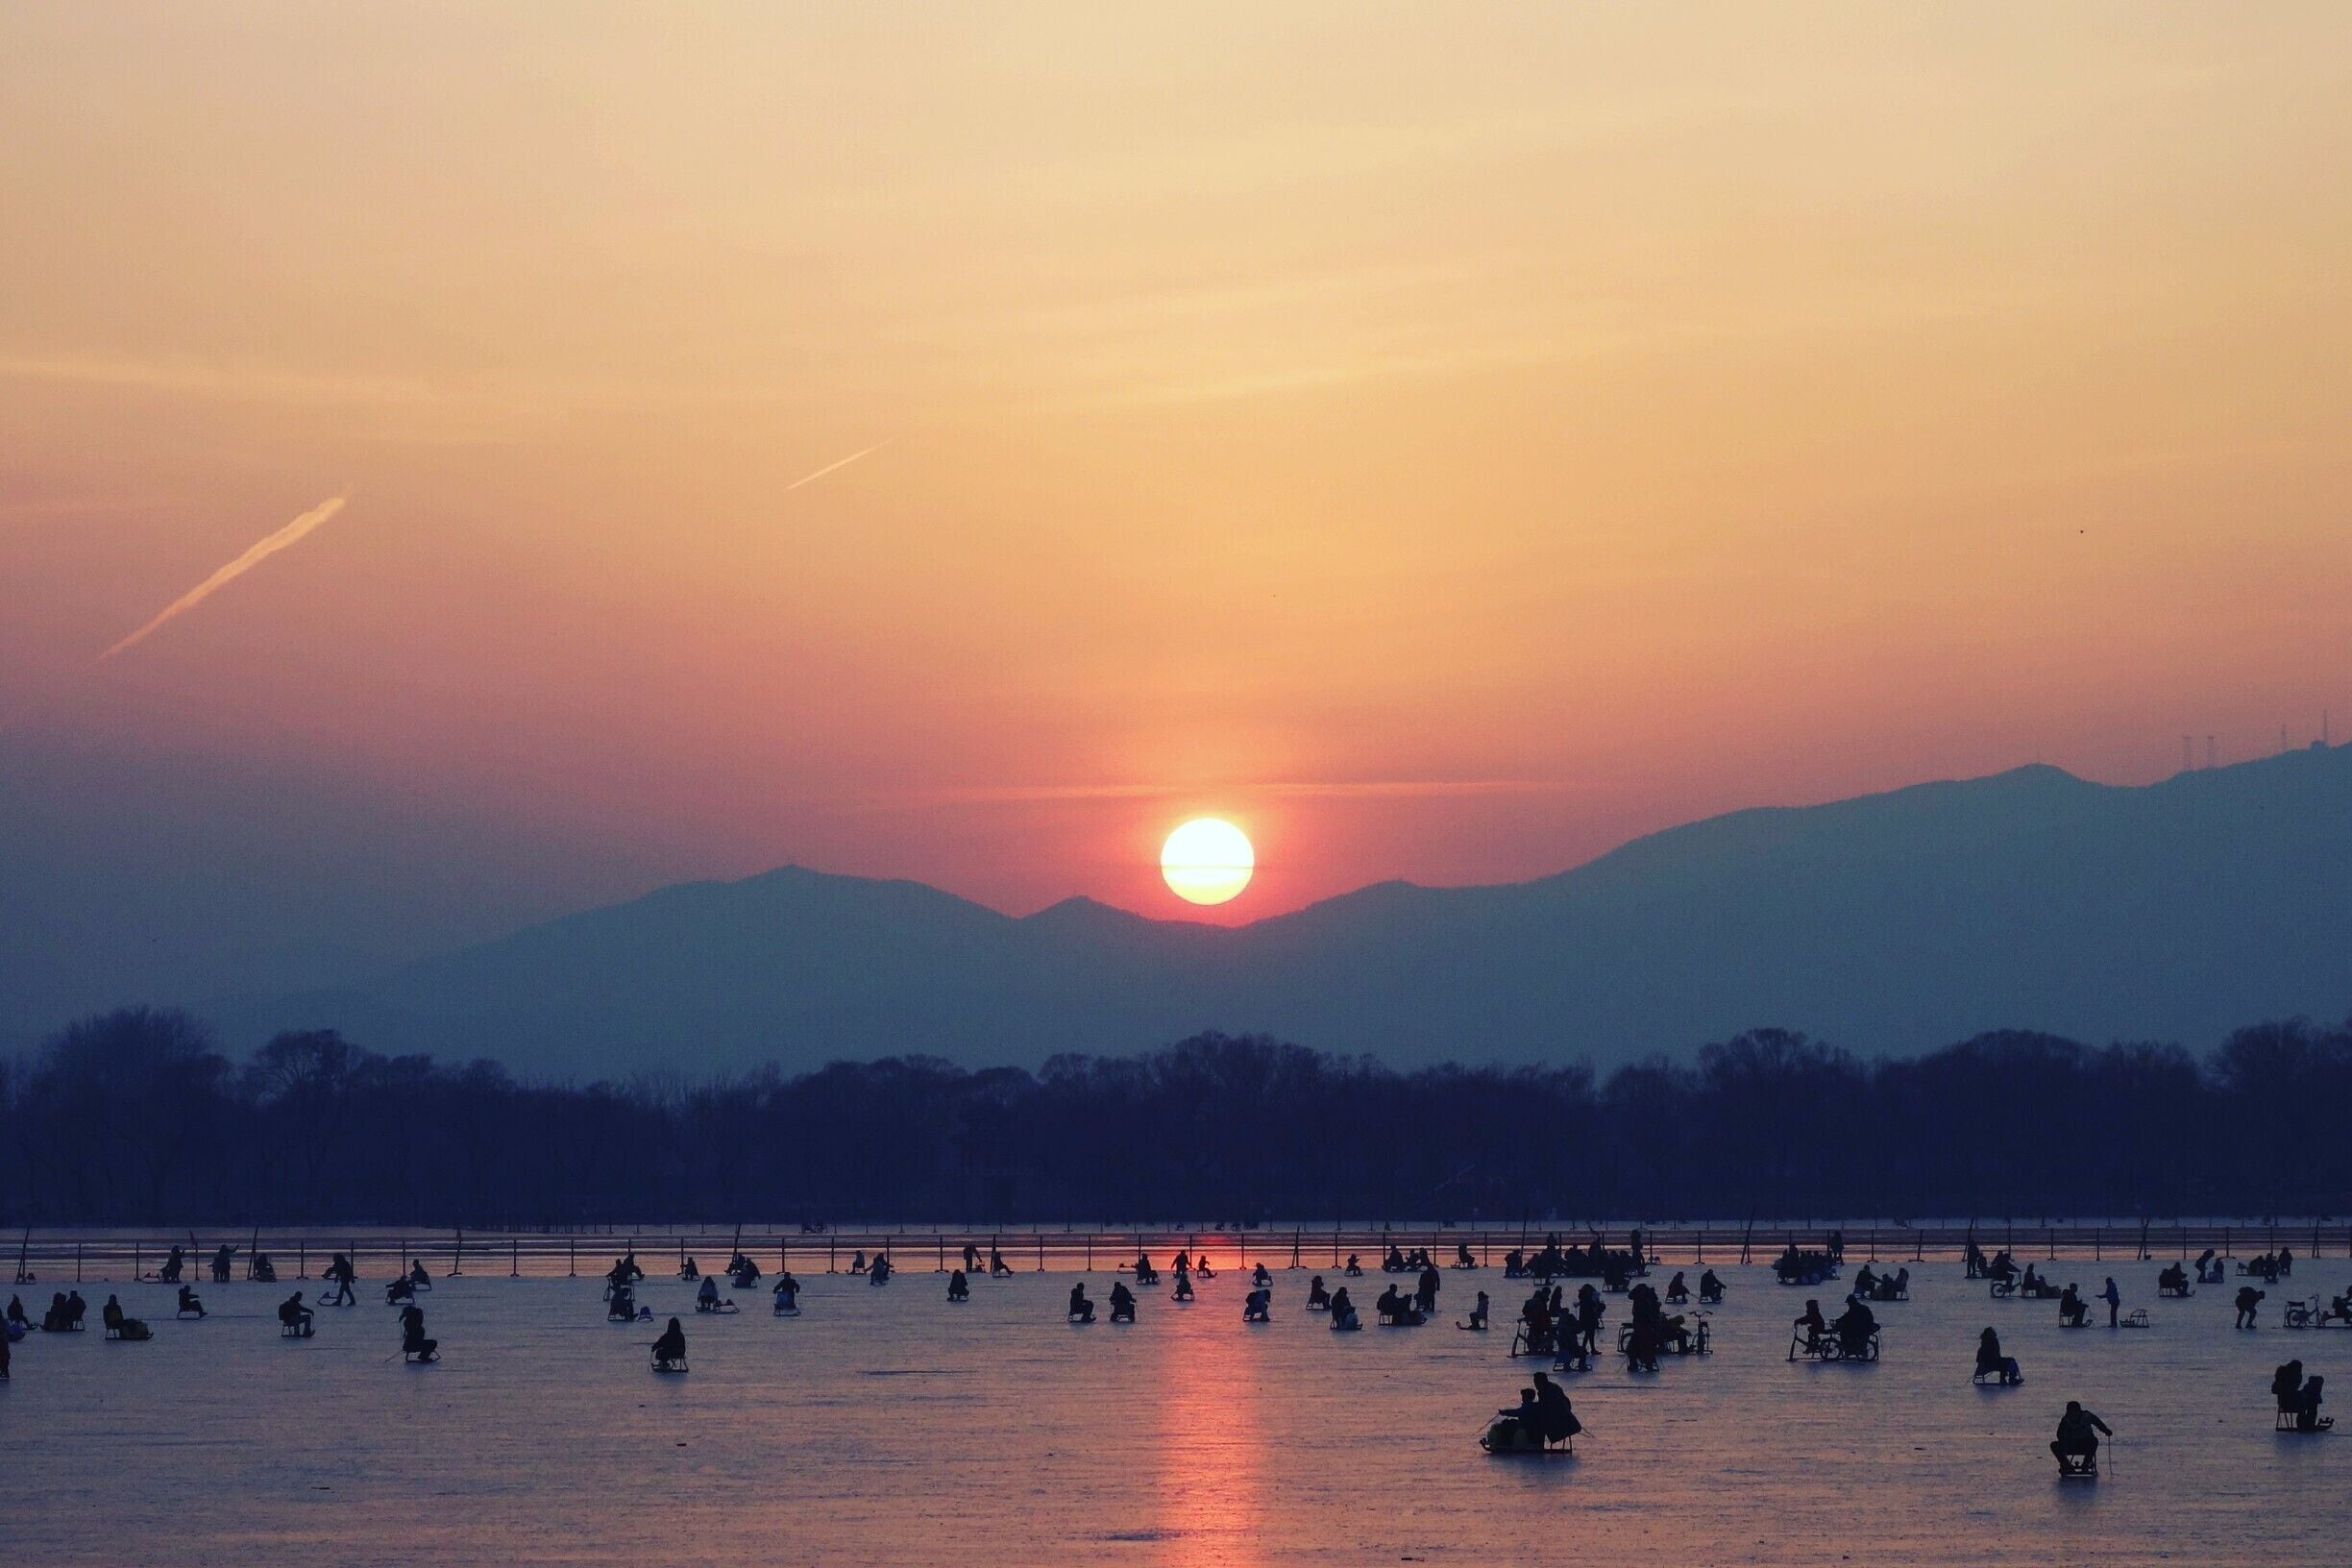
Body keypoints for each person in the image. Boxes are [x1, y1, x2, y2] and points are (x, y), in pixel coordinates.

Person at [2050, 1401, 2111, 1471]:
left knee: (2094, 1441)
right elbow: (2059, 1434)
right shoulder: (2065, 1420)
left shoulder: (2087, 1416)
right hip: (2070, 1445)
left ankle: (2086, 1464)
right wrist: (2064, 1441)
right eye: (2070, 1412)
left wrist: (2106, 1431)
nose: (2072, 1414)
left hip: (2085, 1444)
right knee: (2054, 1445)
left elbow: (2098, 1423)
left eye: (2073, 1412)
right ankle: (2066, 1464)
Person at [1834, 1294, 1877, 1359]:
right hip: (1864, 1326)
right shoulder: (1860, 1307)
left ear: (1851, 1302)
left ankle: (1849, 1350)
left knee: (1844, 1332)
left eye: (1848, 1303)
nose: (1848, 1304)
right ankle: (1850, 1349)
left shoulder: (1854, 1308)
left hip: (1861, 1328)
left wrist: (1839, 1320)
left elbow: (1848, 1316)